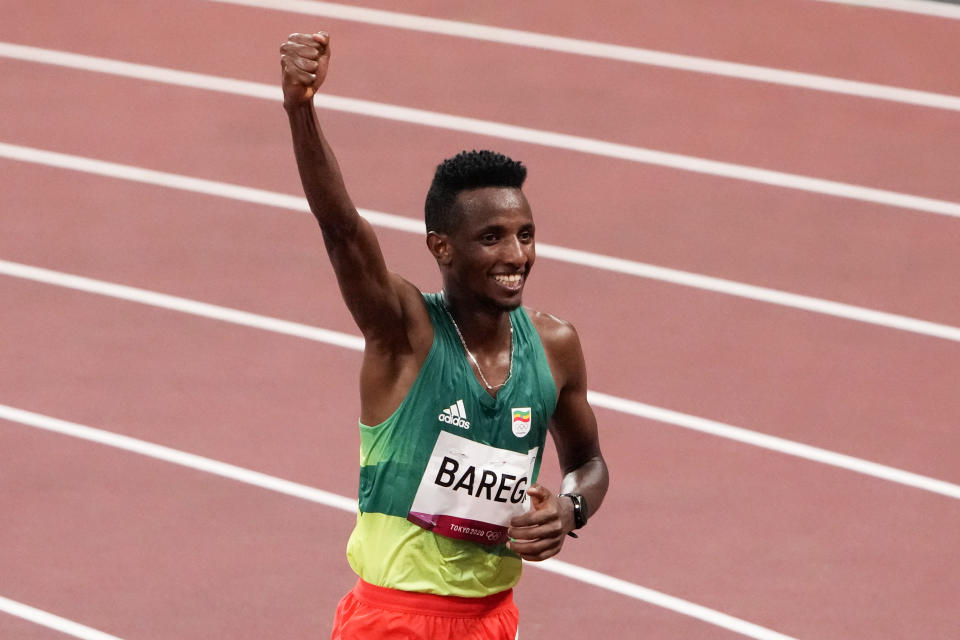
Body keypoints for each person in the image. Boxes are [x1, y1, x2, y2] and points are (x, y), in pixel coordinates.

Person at [280, 31, 609, 640]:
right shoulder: (405, 332)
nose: (516, 255)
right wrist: (301, 108)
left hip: (491, 620)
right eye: (492, 238)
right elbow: (341, 229)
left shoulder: (555, 345)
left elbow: (587, 462)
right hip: (393, 620)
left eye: (526, 234)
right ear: (442, 246)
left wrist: (570, 509)